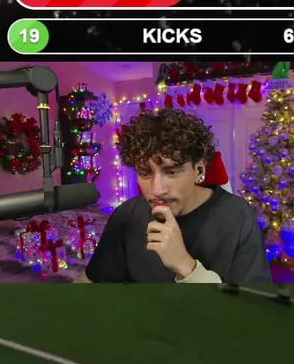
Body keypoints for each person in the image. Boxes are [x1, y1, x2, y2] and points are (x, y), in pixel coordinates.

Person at [75, 108, 273, 284]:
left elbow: (252, 308)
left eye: (172, 172)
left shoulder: (238, 216)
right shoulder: (126, 215)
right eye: (145, 173)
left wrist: (186, 267)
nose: (157, 190)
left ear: (199, 170)